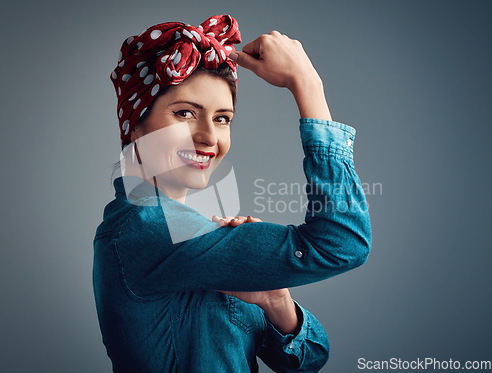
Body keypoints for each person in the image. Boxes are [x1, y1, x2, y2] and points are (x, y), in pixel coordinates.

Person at [93, 14, 371, 373]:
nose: (209, 136)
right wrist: (307, 85)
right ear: (135, 125)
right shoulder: (146, 231)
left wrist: (275, 300)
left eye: (223, 118)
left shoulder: (194, 236)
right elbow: (343, 242)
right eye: (185, 113)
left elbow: (308, 359)